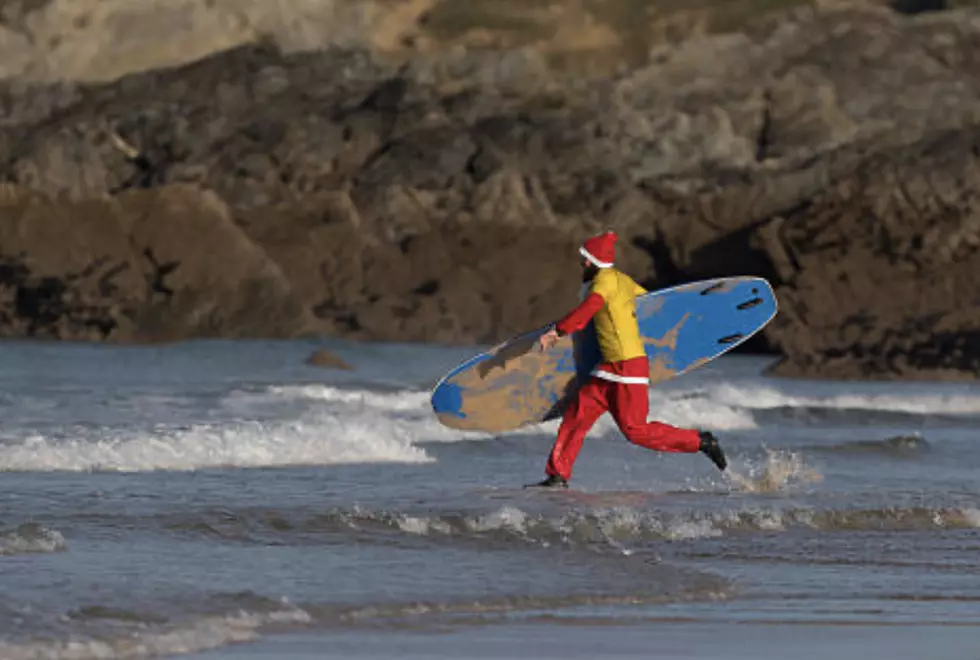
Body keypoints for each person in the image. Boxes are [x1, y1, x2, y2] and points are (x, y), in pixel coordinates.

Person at [528, 230, 728, 489]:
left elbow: (586, 312)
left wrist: (557, 332)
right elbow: (649, 303)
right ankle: (557, 475)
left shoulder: (603, 284)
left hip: (627, 367)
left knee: (635, 430)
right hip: (607, 368)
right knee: (577, 416)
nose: (581, 265)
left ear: (591, 262)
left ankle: (700, 441)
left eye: (583, 260)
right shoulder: (623, 281)